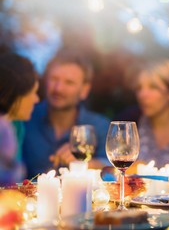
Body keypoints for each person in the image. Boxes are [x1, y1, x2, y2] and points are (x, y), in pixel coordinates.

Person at [23, 49, 111, 178]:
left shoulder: (100, 125)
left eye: (69, 82)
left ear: (84, 90)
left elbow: (113, 170)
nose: (58, 88)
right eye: (54, 79)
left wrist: (86, 163)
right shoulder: (25, 119)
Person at [0, 52, 40, 182]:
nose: (37, 99)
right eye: (33, 92)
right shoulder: (3, 129)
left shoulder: (16, 125)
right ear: (17, 93)